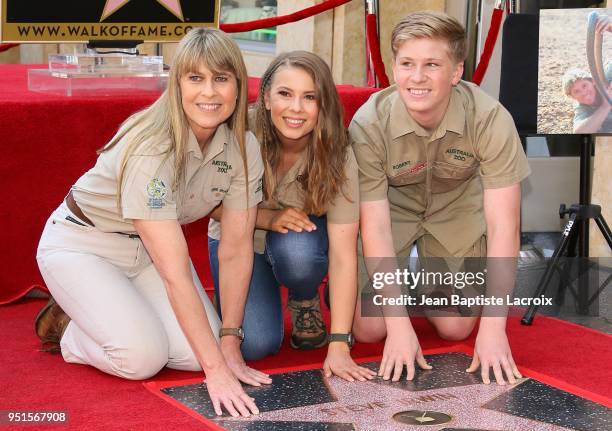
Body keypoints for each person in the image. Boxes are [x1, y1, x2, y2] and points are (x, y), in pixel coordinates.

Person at [34, 27, 271, 418]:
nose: (209, 93)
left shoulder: (244, 147)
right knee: (141, 358)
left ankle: (114, 310)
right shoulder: (152, 147)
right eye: (195, 78)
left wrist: (229, 342)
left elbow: (236, 248)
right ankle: (73, 330)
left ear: (239, 85)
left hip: (144, 251)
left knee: (197, 353)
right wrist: (217, 373)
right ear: (177, 84)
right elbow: (175, 272)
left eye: (220, 79)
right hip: (82, 244)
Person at [349, 11, 530, 385]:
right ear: (394, 67)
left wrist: (495, 327)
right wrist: (399, 329)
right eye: (407, 64)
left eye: (432, 64)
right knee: (370, 330)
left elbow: (504, 226)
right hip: (394, 212)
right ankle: (392, 280)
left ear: (455, 71)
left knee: (455, 328)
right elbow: (376, 226)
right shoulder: (368, 123)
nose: (417, 77)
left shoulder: (490, 119)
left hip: (455, 210)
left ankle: (421, 276)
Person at [208, 51, 376, 382]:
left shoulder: (338, 152)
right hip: (237, 238)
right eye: (285, 94)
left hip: (297, 242)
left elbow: (343, 253)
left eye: (309, 97)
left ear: (323, 105)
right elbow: (202, 204)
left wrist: (340, 344)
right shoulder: (236, 131)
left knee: (298, 253)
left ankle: (304, 298)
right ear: (267, 96)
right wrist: (267, 219)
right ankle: (230, 295)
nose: (296, 108)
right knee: (256, 344)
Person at [562, 13, 612, 134]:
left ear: (593, 81)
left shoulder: (606, 75)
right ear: (573, 98)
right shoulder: (582, 108)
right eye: (576, 92)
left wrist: (610, 25)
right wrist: (605, 106)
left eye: (584, 85)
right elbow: (579, 133)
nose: (583, 93)